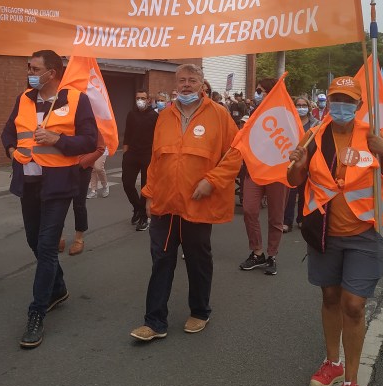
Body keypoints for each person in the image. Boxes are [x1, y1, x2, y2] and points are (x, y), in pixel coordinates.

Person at [287, 76, 383, 386]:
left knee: (353, 305)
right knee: (330, 297)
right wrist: (297, 164)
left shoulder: (373, 136)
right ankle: (333, 364)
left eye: (347, 101)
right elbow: (294, 179)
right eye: (336, 99)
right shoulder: (314, 135)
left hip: (364, 232)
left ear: (359, 104)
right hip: (324, 232)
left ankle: (351, 380)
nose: (341, 106)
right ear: (327, 102)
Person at [130, 64, 241, 342]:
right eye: (182, 80)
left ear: (202, 84)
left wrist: (212, 181)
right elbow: (156, 159)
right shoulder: (164, 116)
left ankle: (200, 311)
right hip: (166, 203)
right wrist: (149, 194)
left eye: (192, 80)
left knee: (197, 260)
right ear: (175, 84)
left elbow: (235, 153)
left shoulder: (219, 114)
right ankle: (154, 321)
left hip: (198, 204)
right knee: (161, 260)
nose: (186, 85)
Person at [1, 50, 97, 349]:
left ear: (52, 72)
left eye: (34, 68)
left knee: (46, 246)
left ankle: (37, 313)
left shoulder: (76, 100)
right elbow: (8, 133)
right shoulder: (24, 98)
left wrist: (59, 140)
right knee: (34, 241)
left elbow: (90, 140)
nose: (29, 72)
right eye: (29, 67)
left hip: (58, 185)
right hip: (28, 183)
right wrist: (12, 153)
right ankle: (58, 288)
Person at [239, 77, 288, 275]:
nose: (257, 94)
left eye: (260, 91)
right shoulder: (253, 113)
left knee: (276, 216)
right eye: (257, 91)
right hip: (254, 171)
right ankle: (257, 252)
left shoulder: (285, 115)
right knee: (249, 210)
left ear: (272, 92)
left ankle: (272, 255)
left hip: (277, 172)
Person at [61, 132, 105, 256]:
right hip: (61, 167)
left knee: (79, 204)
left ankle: (79, 238)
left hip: (82, 169)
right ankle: (59, 236)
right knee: (59, 203)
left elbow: (100, 148)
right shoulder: (61, 122)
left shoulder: (89, 124)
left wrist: (82, 162)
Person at [121, 90, 158, 232]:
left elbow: (158, 137)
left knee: (144, 187)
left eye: (143, 98)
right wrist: (125, 153)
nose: (140, 100)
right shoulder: (131, 114)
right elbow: (127, 134)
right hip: (132, 154)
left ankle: (143, 217)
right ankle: (137, 207)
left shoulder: (154, 116)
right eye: (138, 98)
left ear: (148, 100)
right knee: (127, 183)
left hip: (147, 155)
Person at [283, 95, 320, 233]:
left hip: (308, 162)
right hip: (292, 161)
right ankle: (287, 221)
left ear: (309, 107)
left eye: (304, 105)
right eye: (298, 105)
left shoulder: (315, 123)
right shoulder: (289, 122)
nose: (301, 108)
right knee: (290, 193)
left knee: (304, 193)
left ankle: (301, 219)